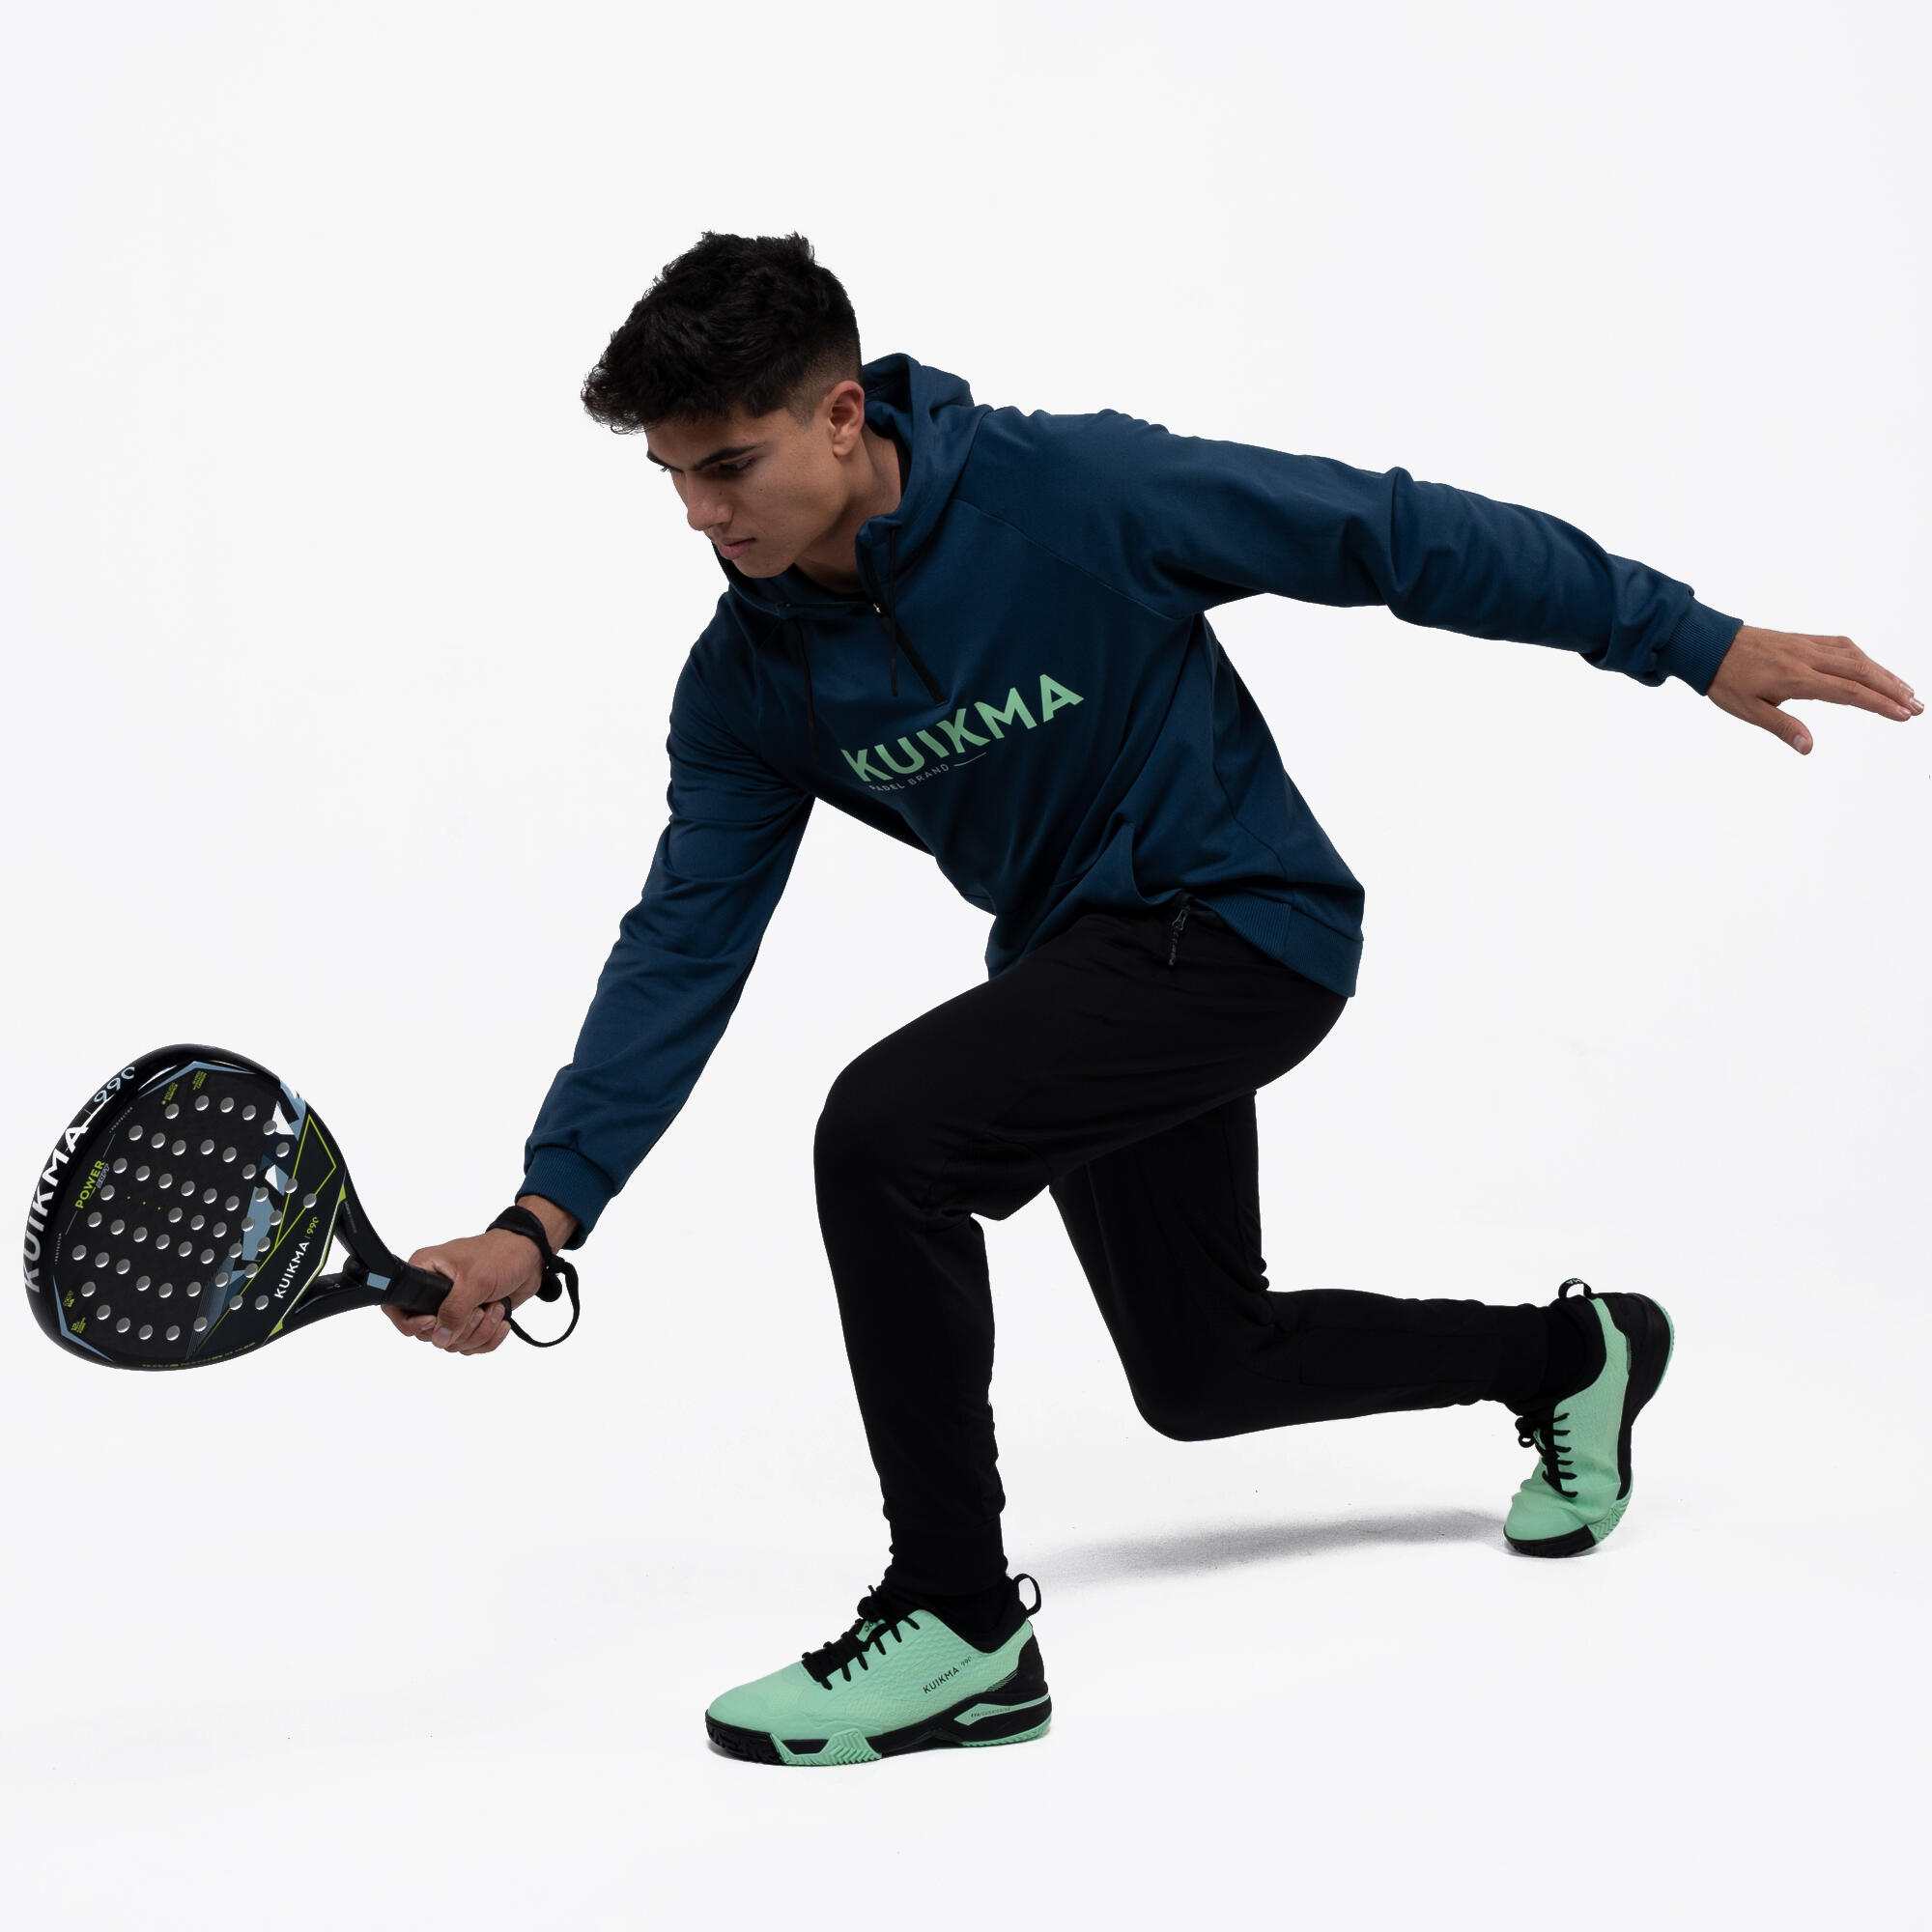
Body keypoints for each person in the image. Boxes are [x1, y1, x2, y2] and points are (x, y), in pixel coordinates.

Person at [387, 231, 1920, 1767]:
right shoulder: (749, 685)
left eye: (730, 466)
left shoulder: (1072, 494)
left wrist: (1685, 638)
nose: (702, 515)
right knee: (1204, 1372)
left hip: (1246, 920)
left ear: (842, 416)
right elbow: (684, 943)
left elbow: (1388, 533)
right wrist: (543, 1216)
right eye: (673, 478)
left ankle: (958, 1623)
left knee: (884, 1135)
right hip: (1087, 969)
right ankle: (1572, 1356)